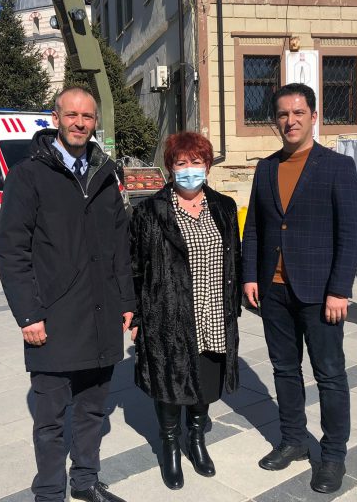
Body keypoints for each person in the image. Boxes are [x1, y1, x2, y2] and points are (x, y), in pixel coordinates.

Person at [0, 86, 135, 502]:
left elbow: (120, 245)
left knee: (93, 410)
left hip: (102, 314)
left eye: (87, 116)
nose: (79, 122)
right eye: (71, 115)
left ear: (95, 122)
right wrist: (28, 314)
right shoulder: (28, 175)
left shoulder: (106, 174)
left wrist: (127, 302)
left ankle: (86, 481)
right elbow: (11, 251)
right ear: (55, 118)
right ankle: (50, 491)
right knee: (51, 420)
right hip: (53, 319)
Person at [241, 83, 357, 494]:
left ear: (314, 116)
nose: (290, 121)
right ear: (275, 120)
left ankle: (333, 455)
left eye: (297, 113)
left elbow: (353, 233)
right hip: (274, 290)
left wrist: (339, 289)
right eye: (282, 114)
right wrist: (250, 275)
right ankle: (293, 439)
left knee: (329, 374)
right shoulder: (266, 168)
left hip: (320, 292)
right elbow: (255, 229)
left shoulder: (337, 167)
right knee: (284, 369)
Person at [129, 132, 241, 490]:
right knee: (168, 383)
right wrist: (135, 314)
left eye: (196, 162)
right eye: (181, 163)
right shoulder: (148, 212)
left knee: (205, 382)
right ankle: (171, 445)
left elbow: (234, 259)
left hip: (214, 313)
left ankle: (196, 439)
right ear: (170, 167)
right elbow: (135, 267)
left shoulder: (224, 207)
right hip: (168, 315)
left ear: (207, 166)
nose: (189, 169)